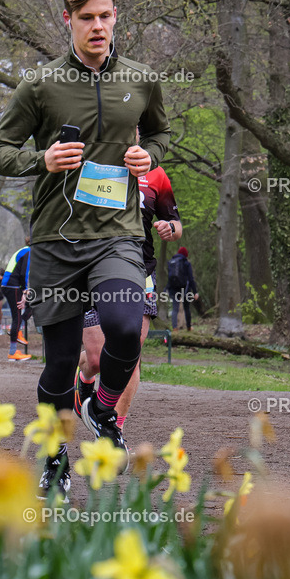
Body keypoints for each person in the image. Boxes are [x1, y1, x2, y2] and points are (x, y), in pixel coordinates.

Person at [0, 0, 170, 498]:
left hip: (117, 234)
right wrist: (41, 158)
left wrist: (148, 154)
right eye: (86, 18)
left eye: (105, 16)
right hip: (55, 240)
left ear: (116, 18)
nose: (97, 26)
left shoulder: (140, 79)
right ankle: (54, 459)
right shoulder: (40, 84)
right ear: (68, 20)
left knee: (125, 328)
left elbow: (161, 131)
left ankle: (102, 408)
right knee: (61, 361)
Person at [75, 165, 182, 431]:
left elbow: (177, 224)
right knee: (99, 359)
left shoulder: (155, 173)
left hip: (140, 270)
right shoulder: (93, 164)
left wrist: (170, 227)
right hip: (92, 270)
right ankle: (85, 376)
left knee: (129, 352)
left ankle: (113, 428)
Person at [1, 239, 32, 361]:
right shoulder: (28, 251)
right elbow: (23, 273)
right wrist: (25, 290)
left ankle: (18, 330)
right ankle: (12, 352)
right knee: (17, 316)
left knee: (31, 305)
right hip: (12, 285)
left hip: (10, 285)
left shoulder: (24, 250)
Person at [166, 246, 198, 331]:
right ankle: (188, 327)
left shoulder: (171, 262)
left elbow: (169, 278)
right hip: (185, 289)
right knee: (187, 308)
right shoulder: (186, 263)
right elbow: (191, 279)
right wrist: (195, 292)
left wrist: (166, 289)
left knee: (175, 309)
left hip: (173, 289)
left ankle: (174, 328)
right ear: (185, 254)